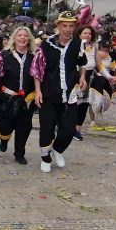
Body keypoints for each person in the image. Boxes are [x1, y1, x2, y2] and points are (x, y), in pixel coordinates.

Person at [32, 10, 87, 173]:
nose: (68, 29)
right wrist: (37, 91)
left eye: (71, 26)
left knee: (69, 129)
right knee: (47, 128)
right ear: (58, 26)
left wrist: (83, 76)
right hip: (49, 91)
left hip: (69, 93)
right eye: (64, 26)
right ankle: (45, 158)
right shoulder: (46, 44)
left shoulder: (79, 44)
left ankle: (57, 149)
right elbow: (37, 69)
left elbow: (82, 62)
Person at [0, 26, 36, 164]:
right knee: (5, 126)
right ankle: (4, 140)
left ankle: (19, 153)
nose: (22, 38)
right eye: (19, 35)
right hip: (7, 98)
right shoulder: (3, 55)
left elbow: (39, 76)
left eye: (25, 36)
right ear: (14, 38)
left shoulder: (34, 57)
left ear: (29, 39)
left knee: (25, 127)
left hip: (26, 99)